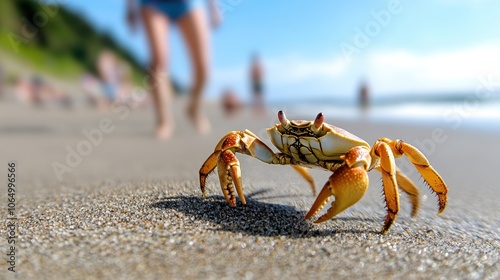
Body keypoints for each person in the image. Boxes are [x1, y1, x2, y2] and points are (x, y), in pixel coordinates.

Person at [127, 0, 221, 139]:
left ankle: (193, 109)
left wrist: (214, 7)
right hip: (153, 4)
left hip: (187, 4)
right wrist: (130, 7)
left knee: (204, 67)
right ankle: (163, 121)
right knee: (158, 61)